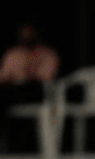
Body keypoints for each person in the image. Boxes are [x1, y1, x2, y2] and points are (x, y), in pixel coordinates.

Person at [0, 22, 59, 151]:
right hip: (12, 90)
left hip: (34, 91)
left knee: (24, 89)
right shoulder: (13, 53)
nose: (26, 36)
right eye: (24, 33)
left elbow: (46, 77)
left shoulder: (47, 54)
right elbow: (3, 76)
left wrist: (30, 69)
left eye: (29, 33)